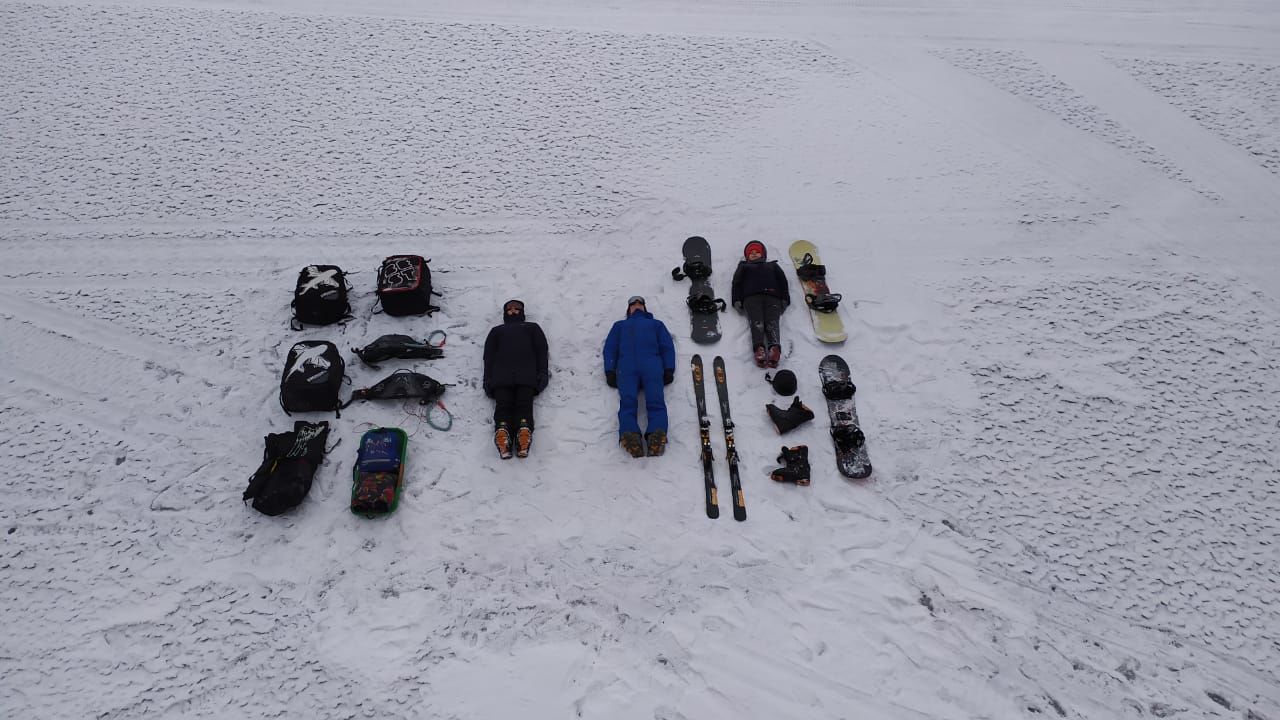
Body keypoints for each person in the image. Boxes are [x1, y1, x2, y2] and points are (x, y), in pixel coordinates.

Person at [602, 296, 676, 458]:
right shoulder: (619, 326)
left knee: (655, 401)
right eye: (633, 304)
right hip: (626, 368)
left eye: (640, 304)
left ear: (645, 308)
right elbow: (610, 349)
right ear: (628, 310)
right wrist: (609, 370)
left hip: (652, 366)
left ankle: (656, 435)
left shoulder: (656, 325)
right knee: (628, 402)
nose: (636, 306)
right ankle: (631, 435)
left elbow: (667, 347)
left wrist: (669, 368)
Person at [483, 299, 549, 459]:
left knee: (524, 405)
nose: (513, 310)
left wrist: (543, 373)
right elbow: (488, 356)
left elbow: (542, 351)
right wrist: (487, 379)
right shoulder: (496, 331)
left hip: (526, 375)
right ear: (505, 313)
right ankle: (503, 433)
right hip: (502, 377)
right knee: (503, 406)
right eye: (509, 308)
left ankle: (523, 433)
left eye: (517, 308)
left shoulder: (532, 328)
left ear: (523, 312)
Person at [730, 241, 790, 368]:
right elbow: (736, 283)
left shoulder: (772, 266)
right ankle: (759, 349)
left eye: (757, 252)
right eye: (751, 253)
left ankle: (774, 348)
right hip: (751, 298)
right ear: (746, 256)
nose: (754, 254)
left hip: (773, 297)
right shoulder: (744, 267)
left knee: (772, 322)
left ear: (763, 254)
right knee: (757, 322)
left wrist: (785, 298)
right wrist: (736, 299)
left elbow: (783, 282)